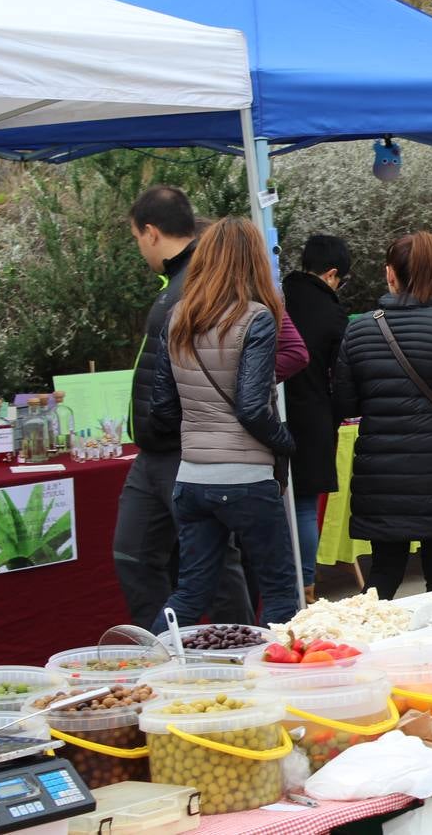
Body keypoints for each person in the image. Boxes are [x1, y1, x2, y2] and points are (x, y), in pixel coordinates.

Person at [116, 188, 307, 630]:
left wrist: (200, 410)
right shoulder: (252, 314)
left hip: (191, 471)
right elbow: (251, 407)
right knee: (279, 591)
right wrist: (283, 441)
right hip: (240, 469)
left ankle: (162, 656)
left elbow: (164, 403)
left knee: (194, 588)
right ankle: (262, 669)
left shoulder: (182, 309)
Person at [333, 232, 432, 598]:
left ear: (389, 274)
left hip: (382, 477)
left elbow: (345, 405)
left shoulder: (359, 330)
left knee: (383, 576)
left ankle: (375, 650)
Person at [282, 234, 351, 603]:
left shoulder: (275, 298)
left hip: (269, 415)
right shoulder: (332, 313)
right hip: (312, 417)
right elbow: (341, 375)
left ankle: (279, 584)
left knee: (276, 506)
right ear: (332, 274)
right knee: (305, 506)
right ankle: (306, 586)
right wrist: (336, 414)